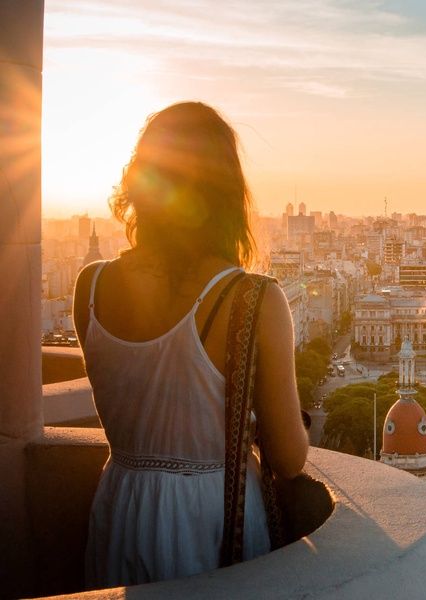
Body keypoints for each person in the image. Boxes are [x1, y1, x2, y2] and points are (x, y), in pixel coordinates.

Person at [73, 102, 309, 588]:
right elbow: (289, 459)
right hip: (213, 517)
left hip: (120, 508)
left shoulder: (89, 286)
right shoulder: (254, 299)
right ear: (226, 195)